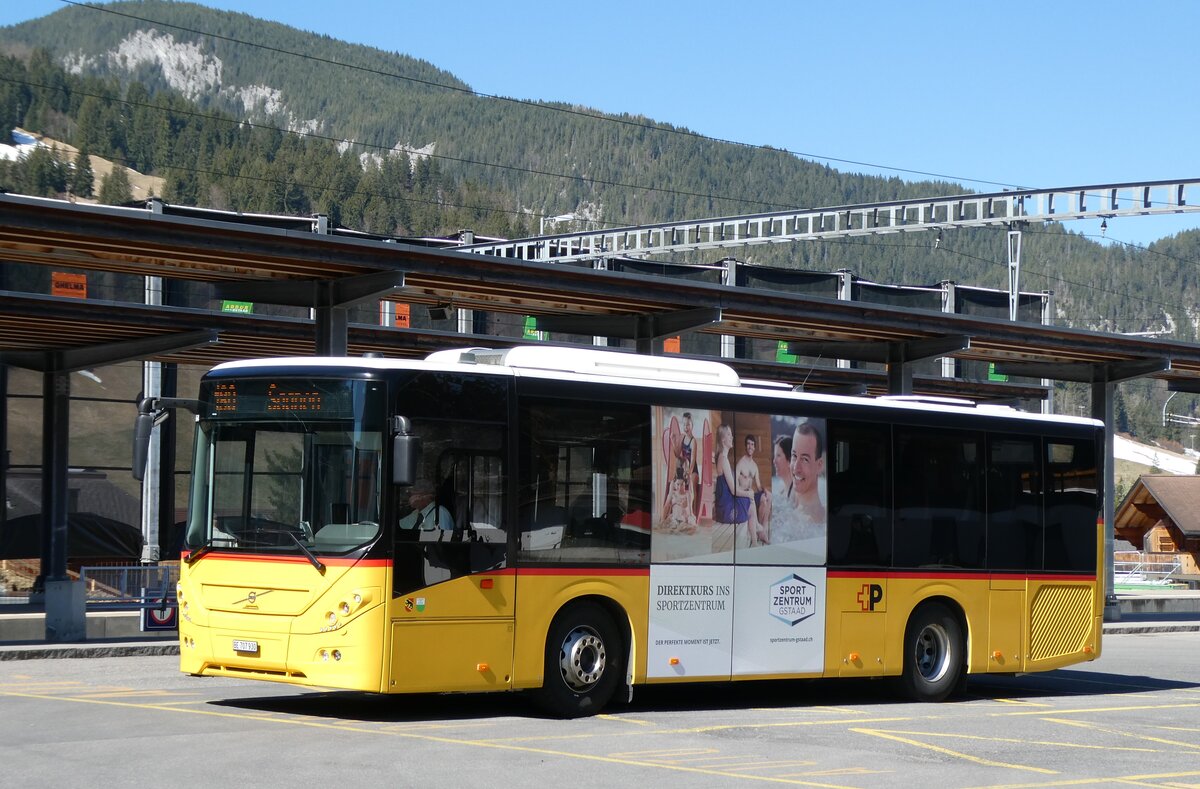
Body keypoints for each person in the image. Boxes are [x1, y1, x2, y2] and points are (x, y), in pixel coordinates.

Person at [712, 424, 750, 552]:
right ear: (723, 440)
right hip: (726, 509)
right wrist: (748, 493)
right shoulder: (723, 459)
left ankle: (756, 536)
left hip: (725, 504)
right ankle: (756, 538)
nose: (732, 436)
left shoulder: (723, 458)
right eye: (729, 434)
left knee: (750, 498)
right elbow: (734, 491)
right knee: (750, 499)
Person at [788, 421, 826, 529]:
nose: (796, 468)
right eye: (794, 456)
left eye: (805, 459)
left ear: (819, 466)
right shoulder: (793, 509)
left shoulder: (805, 522)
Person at [736, 434, 770, 545]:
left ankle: (762, 530)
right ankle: (760, 532)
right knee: (752, 495)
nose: (750, 446)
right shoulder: (741, 463)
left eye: (752, 444)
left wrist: (765, 490)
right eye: (748, 444)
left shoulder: (755, 466)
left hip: (751, 494)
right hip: (743, 495)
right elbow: (735, 484)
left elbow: (759, 486)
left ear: (754, 447)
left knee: (766, 498)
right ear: (745, 446)